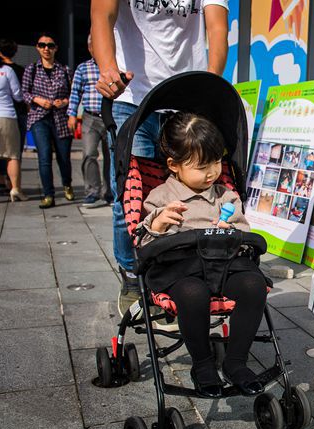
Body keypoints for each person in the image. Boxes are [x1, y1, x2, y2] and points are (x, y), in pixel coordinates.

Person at [92, 0, 229, 314]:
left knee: (191, 190)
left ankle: (178, 264)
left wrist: (211, 81)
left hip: (187, 96)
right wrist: (107, 67)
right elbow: (102, 13)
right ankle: (132, 273)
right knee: (131, 193)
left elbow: (217, 28)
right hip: (131, 95)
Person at [137, 112, 267, 398]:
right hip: (181, 268)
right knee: (193, 293)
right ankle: (203, 364)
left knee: (254, 284)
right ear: (174, 165)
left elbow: (243, 232)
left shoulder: (226, 196)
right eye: (202, 166)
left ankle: (236, 362)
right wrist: (158, 224)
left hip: (224, 264)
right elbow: (144, 245)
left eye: (217, 162)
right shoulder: (160, 197)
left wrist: (230, 230)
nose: (212, 172)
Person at [22, 31, 73, 209]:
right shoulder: (31, 69)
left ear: (55, 48)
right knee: (44, 156)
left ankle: (67, 184)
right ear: (37, 48)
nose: (46, 49)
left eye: (50, 46)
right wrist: (37, 100)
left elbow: (73, 93)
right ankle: (48, 194)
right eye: (42, 45)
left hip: (60, 118)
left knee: (64, 157)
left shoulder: (64, 70)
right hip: (39, 117)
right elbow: (24, 93)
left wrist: (64, 102)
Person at [68, 34, 111, 208]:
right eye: (95, 45)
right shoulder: (83, 68)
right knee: (89, 153)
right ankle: (92, 191)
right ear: (90, 48)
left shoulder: (114, 66)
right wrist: (72, 114)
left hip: (110, 117)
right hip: (90, 117)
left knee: (112, 156)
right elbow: (75, 93)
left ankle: (110, 192)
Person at [0, 40, 27, 201]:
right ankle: (15, 189)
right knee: (12, 155)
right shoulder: (7, 70)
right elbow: (17, 95)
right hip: (5, 116)